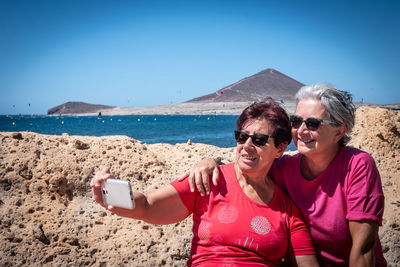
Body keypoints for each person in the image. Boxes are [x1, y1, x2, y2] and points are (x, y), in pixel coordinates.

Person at [91, 100, 319, 266]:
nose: (247, 145)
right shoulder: (209, 180)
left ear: (279, 148)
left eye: (259, 140)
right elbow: (148, 205)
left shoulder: (287, 211)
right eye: (242, 137)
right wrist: (110, 194)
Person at [184, 83, 386, 266]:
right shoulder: (284, 168)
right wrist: (210, 162)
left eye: (313, 123)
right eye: (296, 121)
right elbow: (245, 163)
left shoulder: (357, 166)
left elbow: (364, 250)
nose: (301, 130)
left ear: (339, 132)